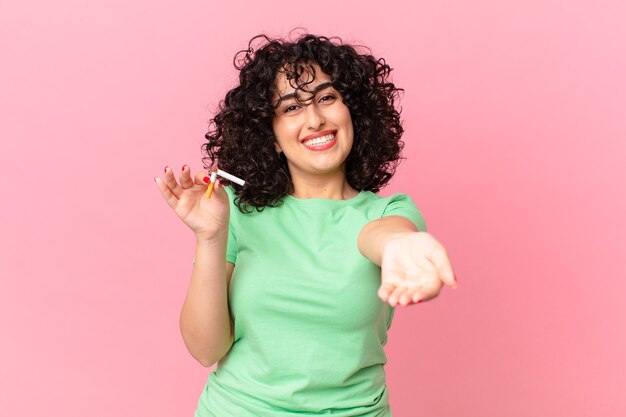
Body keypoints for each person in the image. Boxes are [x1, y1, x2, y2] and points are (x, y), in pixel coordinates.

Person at [154, 32, 457, 417]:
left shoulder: (387, 213)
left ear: (354, 112)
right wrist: (210, 237)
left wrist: (402, 247)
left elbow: (381, 237)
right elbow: (205, 349)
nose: (315, 120)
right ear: (272, 136)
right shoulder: (235, 211)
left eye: (327, 98)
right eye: (292, 108)